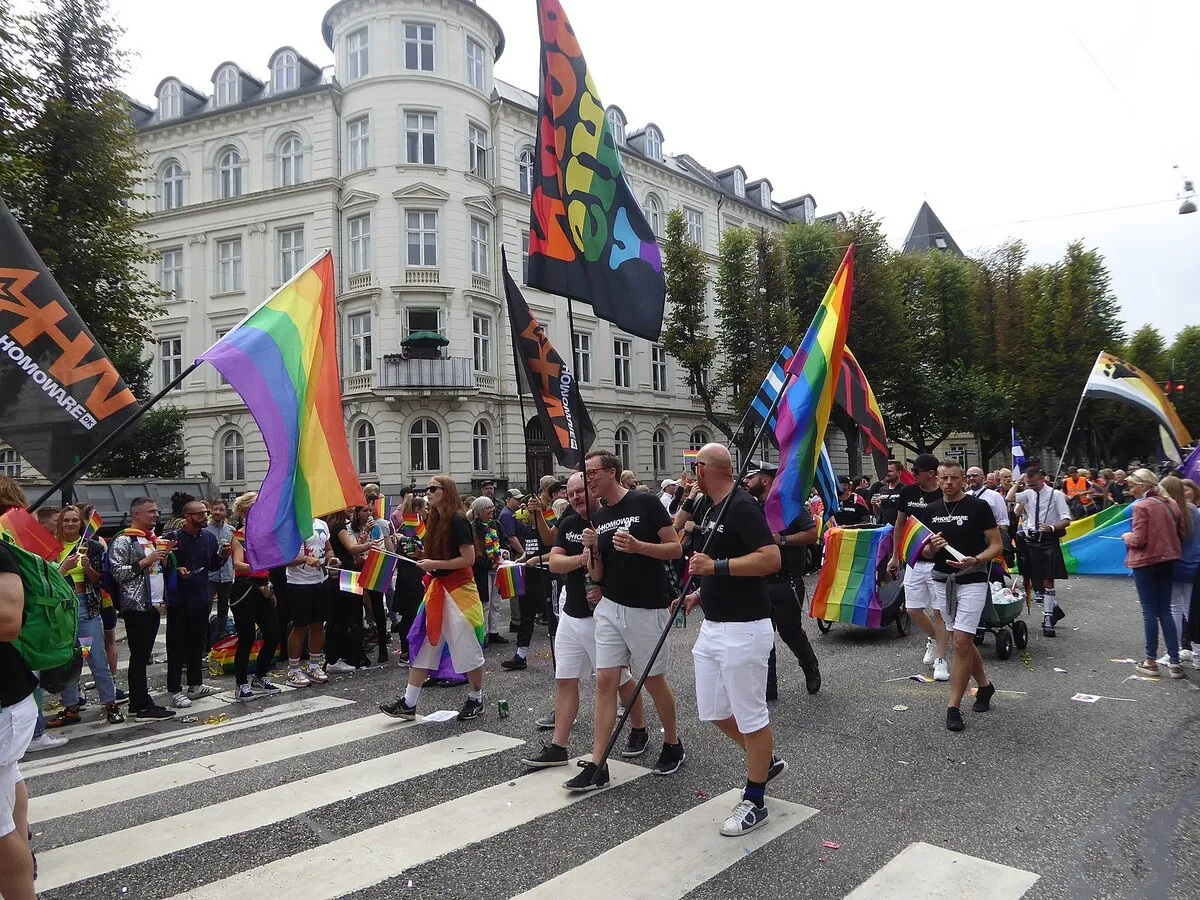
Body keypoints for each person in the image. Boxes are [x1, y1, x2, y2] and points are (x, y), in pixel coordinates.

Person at [679, 444, 787, 835]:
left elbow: (771, 559)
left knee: (751, 715)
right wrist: (698, 591)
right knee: (712, 710)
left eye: (695, 467)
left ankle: (755, 799)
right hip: (713, 625)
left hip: (745, 627)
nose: (691, 473)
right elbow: (706, 562)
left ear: (708, 469)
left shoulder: (742, 506)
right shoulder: (707, 507)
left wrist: (716, 567)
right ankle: (766, 759)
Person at [565, 450, 684, 791]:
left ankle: (672, 742)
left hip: (646, 607)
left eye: (591, 473)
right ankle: (598, 762)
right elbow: (597, 574)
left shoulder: (645, 503)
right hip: (610, 607)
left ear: (611, 472)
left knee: (652, 679)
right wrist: (592, 553)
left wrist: (638, 546)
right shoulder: (599, 517)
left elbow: (674, 549)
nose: (587, 480)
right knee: (605, 682)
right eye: (584, 474)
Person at [522, 472, 648, 768]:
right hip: (572, 614)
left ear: (594, 490)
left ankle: (639, 728)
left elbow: (623, 566)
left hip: (600, 618)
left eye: (582, 490)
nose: (577, 496)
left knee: (620, 681)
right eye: (572, 492)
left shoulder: (610, 520)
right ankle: (558, 745)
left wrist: (604, 584)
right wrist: (582, 559)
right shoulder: (568, 523)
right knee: (565, 680)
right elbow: (554, 562)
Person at [380, 476, 486, 721]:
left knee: (467, 646)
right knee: (425, 643)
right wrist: (420, 554)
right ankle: (409, 702)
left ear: (446, 491)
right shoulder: (434, 519)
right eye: (427, 489)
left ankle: (476, 697)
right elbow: (437, 556)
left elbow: (468, 559)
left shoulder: (458, 520)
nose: (427, 493)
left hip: (460, 592)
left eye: (433, 489)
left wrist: (433, 563)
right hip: (437, 590)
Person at [923, 459, 1003, 732]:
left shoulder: (978, 507)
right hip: (941, 580)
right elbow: (922, 553)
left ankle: (953, 707)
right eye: (944, 478)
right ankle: (985, 685)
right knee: (962, 641)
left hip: (973, 578)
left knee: (960, 639)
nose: (948, 483)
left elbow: (996, 545)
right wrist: (931, 550)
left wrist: (976, 559)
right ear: (937, 479)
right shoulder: (931, 510)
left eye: (954, 478)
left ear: (963, 480)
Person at [742, 462, 821, 697]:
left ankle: (810, 667)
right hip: (759, 581)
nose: (746, 481)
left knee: (791, 632)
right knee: (763, 636)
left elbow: (811, 534)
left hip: (786, 580)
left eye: (751, 477)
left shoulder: (789, 505)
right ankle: (769, 686)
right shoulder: (751, 507)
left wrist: (782, 540)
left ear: (765, 480)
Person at [47, 507, 123, 727]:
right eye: (65, 521)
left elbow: (101, 580)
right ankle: (71, 707)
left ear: (81, 524)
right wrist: (65, 567)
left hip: (84, 610)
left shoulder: (92, 547)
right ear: (60, 523)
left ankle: (110, 703)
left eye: (74, 521)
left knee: (95, 658)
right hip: (61, 613)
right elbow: (46, 580)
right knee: (67, 660)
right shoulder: (51, 548)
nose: (70, 524)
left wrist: (88, 568)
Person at [0, 477, 38, 900]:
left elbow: (7, 623)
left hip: (4, 700)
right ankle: (23, 854)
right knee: (8, 780)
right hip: (10, 697)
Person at [109, 497, 175, 719]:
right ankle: (141, 704)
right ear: (136, 514)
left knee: (143, 655)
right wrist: (146, 561)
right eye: (150, 512)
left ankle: (141, 701)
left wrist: (165, 558)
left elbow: (158, 570)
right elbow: (118, 573)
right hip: (136, 606)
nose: (155, 515)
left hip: (153, 605)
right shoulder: (124, 541)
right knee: (139, 657)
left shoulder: (152, 539)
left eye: (156, 511)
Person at [888, 453, 950, 682]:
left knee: (939, 612)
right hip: (914, 560)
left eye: (916, 471)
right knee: (913, 609)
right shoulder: (908, 492)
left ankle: (942, 659)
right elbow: (900, 524)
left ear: (932, 474)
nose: (912, 474)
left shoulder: (943, 494)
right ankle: (935, 638)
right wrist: (895, 556)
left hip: (938, 563)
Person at [161, 500, 225, 707]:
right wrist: (176, 569)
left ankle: (196, 684)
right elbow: (161, 565)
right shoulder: (173, 538)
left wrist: (223, 556)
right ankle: (174, 689)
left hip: (200, 595)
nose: (205, 517)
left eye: (205, 513)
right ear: (187, 517)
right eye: (200, 514)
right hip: (179, 598)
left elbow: (213, 564)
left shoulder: (208, 537)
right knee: (176, 644)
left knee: (198, 641)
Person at [1124, 469, 1185, 678]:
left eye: (1132, 486)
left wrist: (1127, 537)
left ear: (1142, 486)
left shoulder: (1142, 506)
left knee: (1149, 612)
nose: (1130, 490)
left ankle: (1151, 661)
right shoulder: (1172, 504)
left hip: (1145, 563)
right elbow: (1181, 534)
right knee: (1165, 610)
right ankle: (1175, 662)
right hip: (1168, 560)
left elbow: (1139, 540)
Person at [228, 492, 281, 699]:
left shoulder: (265, 536)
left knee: (273, 633)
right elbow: (238, 564)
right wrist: (258, 566)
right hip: (245, 587)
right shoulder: (238, 536)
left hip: (263, 585)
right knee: (247, 637)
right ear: (247, 510)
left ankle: (260, 676)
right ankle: (241, 683)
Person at [503, 477, 558, 672]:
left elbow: (554, 550)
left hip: (546, 576)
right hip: (529, 577)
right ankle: (521, 654)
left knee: (553, 616)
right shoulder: (527, 529)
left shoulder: (550, 527)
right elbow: (530, 549)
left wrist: (536, 560)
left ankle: (561, 654)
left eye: (531, 509)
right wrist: (523, 558)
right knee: (526, 617)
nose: (526, 512)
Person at [1008, 465, 1070, 637]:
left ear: (1042, 478)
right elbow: (1009, 497)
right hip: (1031, 539)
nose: (1032, 487)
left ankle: (1048, 617)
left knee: (1048, 579)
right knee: (1035, 580)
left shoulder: (1056, 495)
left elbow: (1066, 519)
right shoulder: (1028, 493)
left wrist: (1051, 527)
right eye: (1029, 484)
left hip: (1048, 539)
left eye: (1034, 484)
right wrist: (1018, 482)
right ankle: (1054, 608)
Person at [284, 518, 334, 687]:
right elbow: (284, 559)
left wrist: (331, 559)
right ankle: (294, 670)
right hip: (298, 583)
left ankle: (314, 666)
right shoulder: (291, 524)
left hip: (321, 581)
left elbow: (328, 548)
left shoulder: (322, 524)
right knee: (299, 627)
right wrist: (305, 559)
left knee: (318, 625)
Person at [324, 510, 373, 674]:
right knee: (348, 616)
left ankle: (338, 655)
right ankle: (339, 657)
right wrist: (369, 545)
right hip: (347, 574)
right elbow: (352, 548)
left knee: (340, 616)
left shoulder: (330, 526)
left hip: (339, 574)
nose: (351, 508)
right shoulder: (339, 526)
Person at [1161, 476, 1198, 665]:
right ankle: (1197, 653)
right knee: (1192, 610)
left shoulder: (1169, 511)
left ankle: (1172, 652)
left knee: (1174, 609)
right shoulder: (1193, 510)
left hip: (1175, 565)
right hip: (1195, 565)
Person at [467, 497, 507, 646]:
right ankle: (482, 635)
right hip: (481, 571)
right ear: (478, 512)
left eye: (492, 507)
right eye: (487, 508)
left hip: (496, 568)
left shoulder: (496, 525)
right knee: (484, 603)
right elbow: (474, 553)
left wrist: (501, 559)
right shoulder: (472, 528)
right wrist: (488, 565)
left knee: (496, 603)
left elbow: (504, 543)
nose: (491, 510)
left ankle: (494, 632)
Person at [205, 499, 235, 636]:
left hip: (227, 575)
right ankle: (205, 643)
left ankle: (221, 637)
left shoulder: (231, 531)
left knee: (224, 609)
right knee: (206, 608)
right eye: (215, 509)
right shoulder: (204, 530)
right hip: (210, 576)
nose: (217, 512)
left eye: (221, 509)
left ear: (226, 512)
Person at [870, 460, 906, 528]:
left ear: (899, 472)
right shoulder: (882, 489)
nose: (887, 473)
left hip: (899, 528)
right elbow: (878, 513)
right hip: (884, 528)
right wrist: (874, 505)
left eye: (890, 471)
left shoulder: (905, 489)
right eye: (886, 471)